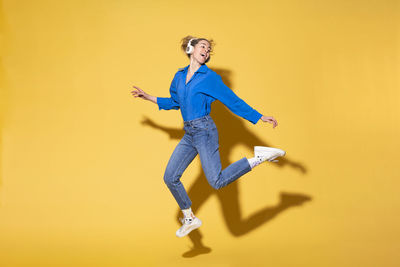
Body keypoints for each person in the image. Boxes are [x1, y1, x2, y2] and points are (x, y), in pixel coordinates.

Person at [131, 36, 286, 238]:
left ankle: (258, 157)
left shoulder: (209, 77)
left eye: (209, 49)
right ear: (190, 48)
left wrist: (259, 117)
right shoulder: (179, 76)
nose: (207, 50)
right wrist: (148, 97)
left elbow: (233, 101)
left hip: (204, 130)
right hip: (189, 133)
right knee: (170, 177)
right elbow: (175, 102)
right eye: (203, 46)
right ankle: (189, 218)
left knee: (216, 181)